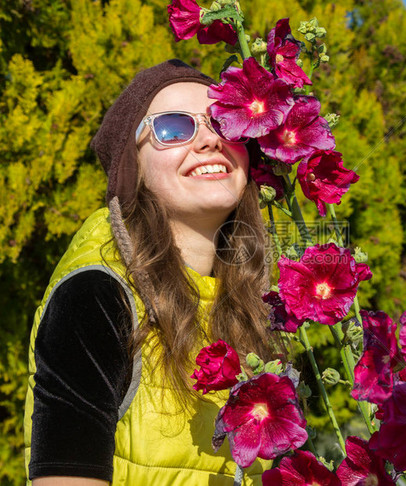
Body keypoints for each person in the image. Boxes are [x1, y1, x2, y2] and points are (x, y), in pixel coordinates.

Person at [24, 59, 276, 485]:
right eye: (174, 127)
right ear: (132, 165)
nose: (209, 141)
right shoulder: (97, 296)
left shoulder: (255, 309)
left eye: (223, 123)